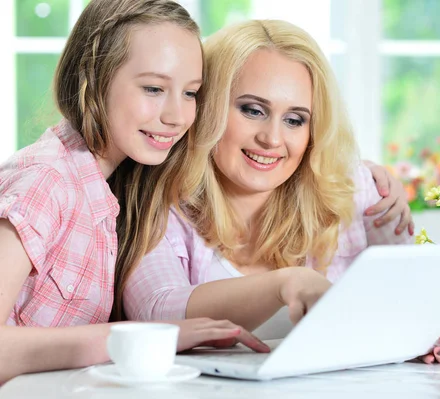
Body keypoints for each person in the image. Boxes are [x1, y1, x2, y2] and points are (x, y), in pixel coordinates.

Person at [122, 19, 440, 364]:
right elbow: (154, 315)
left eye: (294, 120)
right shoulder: (154, 199)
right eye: (253, 110)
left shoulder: (356, 192)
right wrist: (285, 283)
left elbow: (405, 302)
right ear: (207, 107)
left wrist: (420, 332)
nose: (272, 139)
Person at [0, 0, 271, 384]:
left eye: (191, 93)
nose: (176, 116)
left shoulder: (118, 184)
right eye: (154, 88)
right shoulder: (46, 181)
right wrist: (148, 338)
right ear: (93, 76)